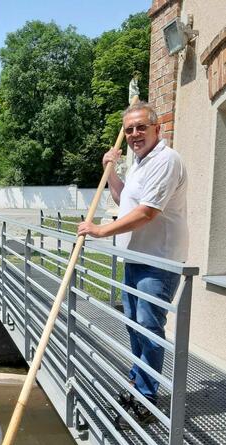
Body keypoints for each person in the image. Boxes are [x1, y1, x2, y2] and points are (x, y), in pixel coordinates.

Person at [77, 101, 189, 424]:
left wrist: (99, 230)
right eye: (129, 129)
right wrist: (110, 172)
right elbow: (125, 200)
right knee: (134, 324)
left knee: (149, 326)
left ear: (157, 128)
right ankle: (138, 381)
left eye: (141, 127)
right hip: (135, 258)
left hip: (158, 260)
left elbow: (147, 212)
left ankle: (147, 398)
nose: (135, 133)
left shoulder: (166, 161)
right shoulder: (139, 162)